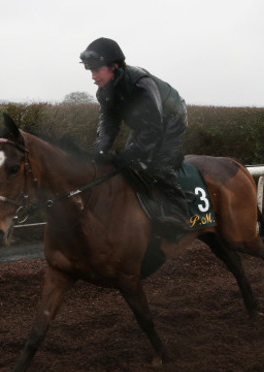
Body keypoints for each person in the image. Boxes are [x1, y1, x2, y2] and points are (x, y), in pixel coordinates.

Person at [80, 37, 190, 234]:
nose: (93, 77)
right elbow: (109, 123)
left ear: (113, 66)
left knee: (157, 164)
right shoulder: (104, 91)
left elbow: (154, 129)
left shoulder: (141, 84)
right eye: (90, 71)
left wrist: (130, 154)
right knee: (129, 165)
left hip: (171, 119)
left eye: (96, 70)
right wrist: (100, 148)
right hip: (145, 123)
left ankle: (180, 215)